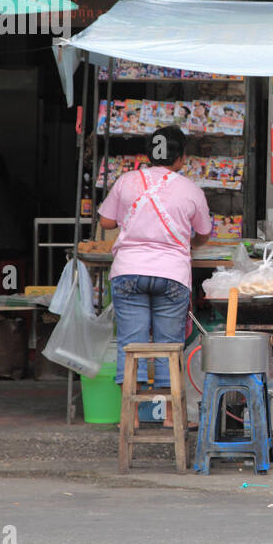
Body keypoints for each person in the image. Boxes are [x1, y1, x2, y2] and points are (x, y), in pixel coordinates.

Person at [98, 127, 212, 391]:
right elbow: (204, 233)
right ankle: (170, 419)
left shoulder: (127, 181)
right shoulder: (191, 189)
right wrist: (190, 243)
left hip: (128, 271)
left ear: (148, 154)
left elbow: (106, 221)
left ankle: (133, 419)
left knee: (130, 344)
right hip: (172, 274)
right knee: (169, 346)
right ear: (181, 157)